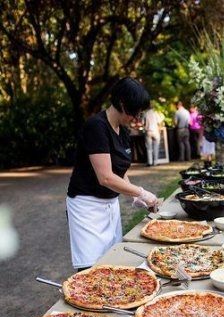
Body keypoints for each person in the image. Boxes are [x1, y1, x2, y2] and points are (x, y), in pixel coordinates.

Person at [66, 77, 158, 270]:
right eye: (135, 112)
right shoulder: (96, 126)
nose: (136, 118)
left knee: (112, 262)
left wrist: (134, 195)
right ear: (122, 104)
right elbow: (106, 177)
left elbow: (120, 171)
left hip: (110, 205)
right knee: (92, 268)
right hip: (87, 207)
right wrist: (140, 192)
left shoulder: (122, 131)